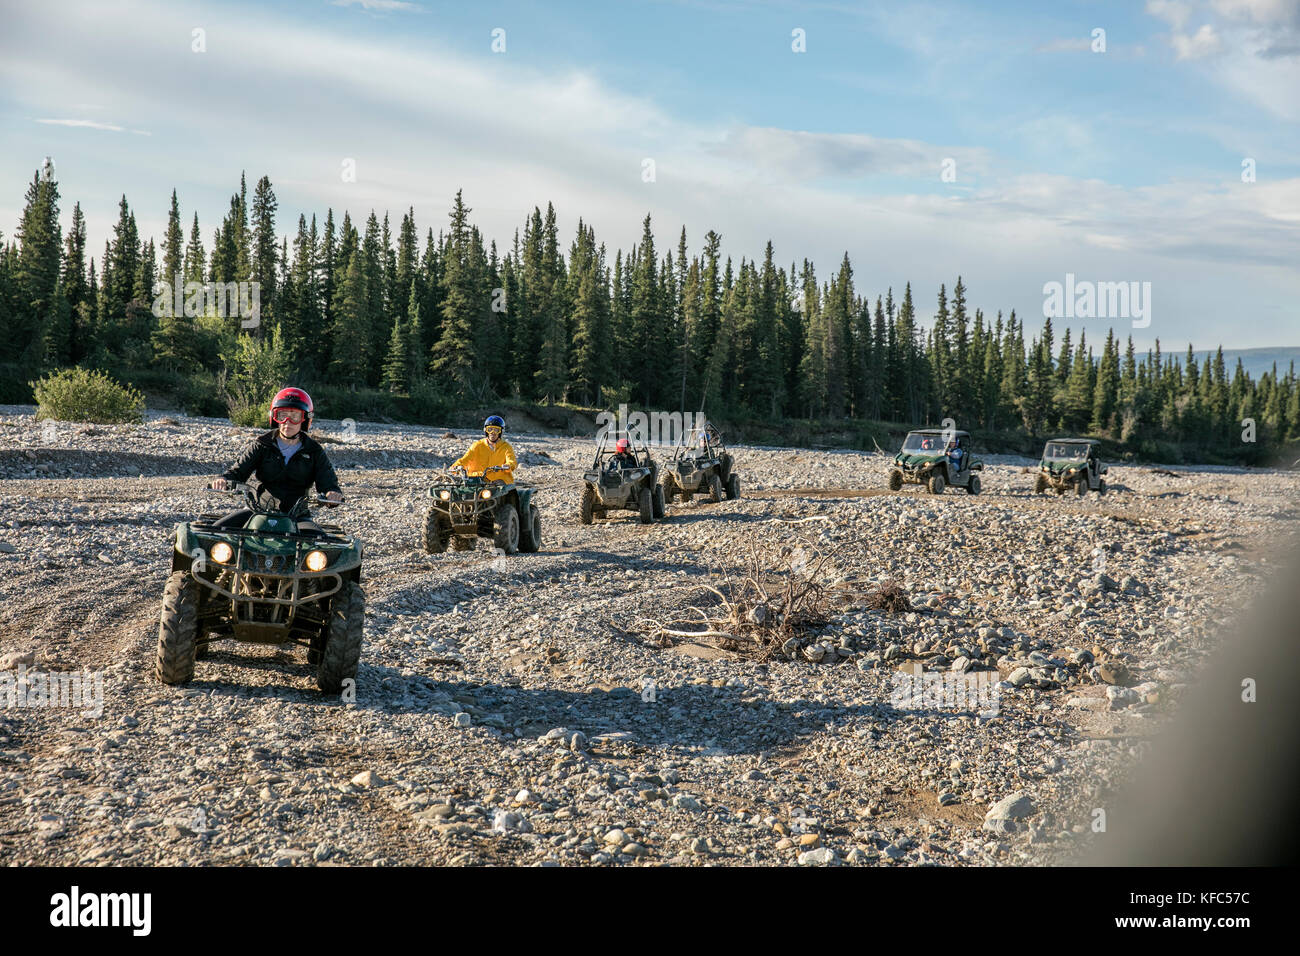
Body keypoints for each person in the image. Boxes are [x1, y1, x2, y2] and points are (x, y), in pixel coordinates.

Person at [208, 387, 343, 530]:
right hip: (259, 510)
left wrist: (332, 494)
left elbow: (328, 482)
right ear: (274, 417)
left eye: (295, 416)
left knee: (318, 542)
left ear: (305, 419)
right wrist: (223, 479)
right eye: (282, 415)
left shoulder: (314, 451)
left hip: (297, 516)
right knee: (216, 531)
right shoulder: (261, 444)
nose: (287, 422)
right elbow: (238, 471)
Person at [454, 415, 517, 483]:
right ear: (485, 431)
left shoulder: (506, 447)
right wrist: (456, 466)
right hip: (478, 480)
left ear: (501, 432)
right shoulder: (477, 445)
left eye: (496, 430)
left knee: (503, 489)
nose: (492, 432)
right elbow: (465, 459)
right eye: (489, 429)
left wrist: (508, 466)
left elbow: (512, 461)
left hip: (500, 481)